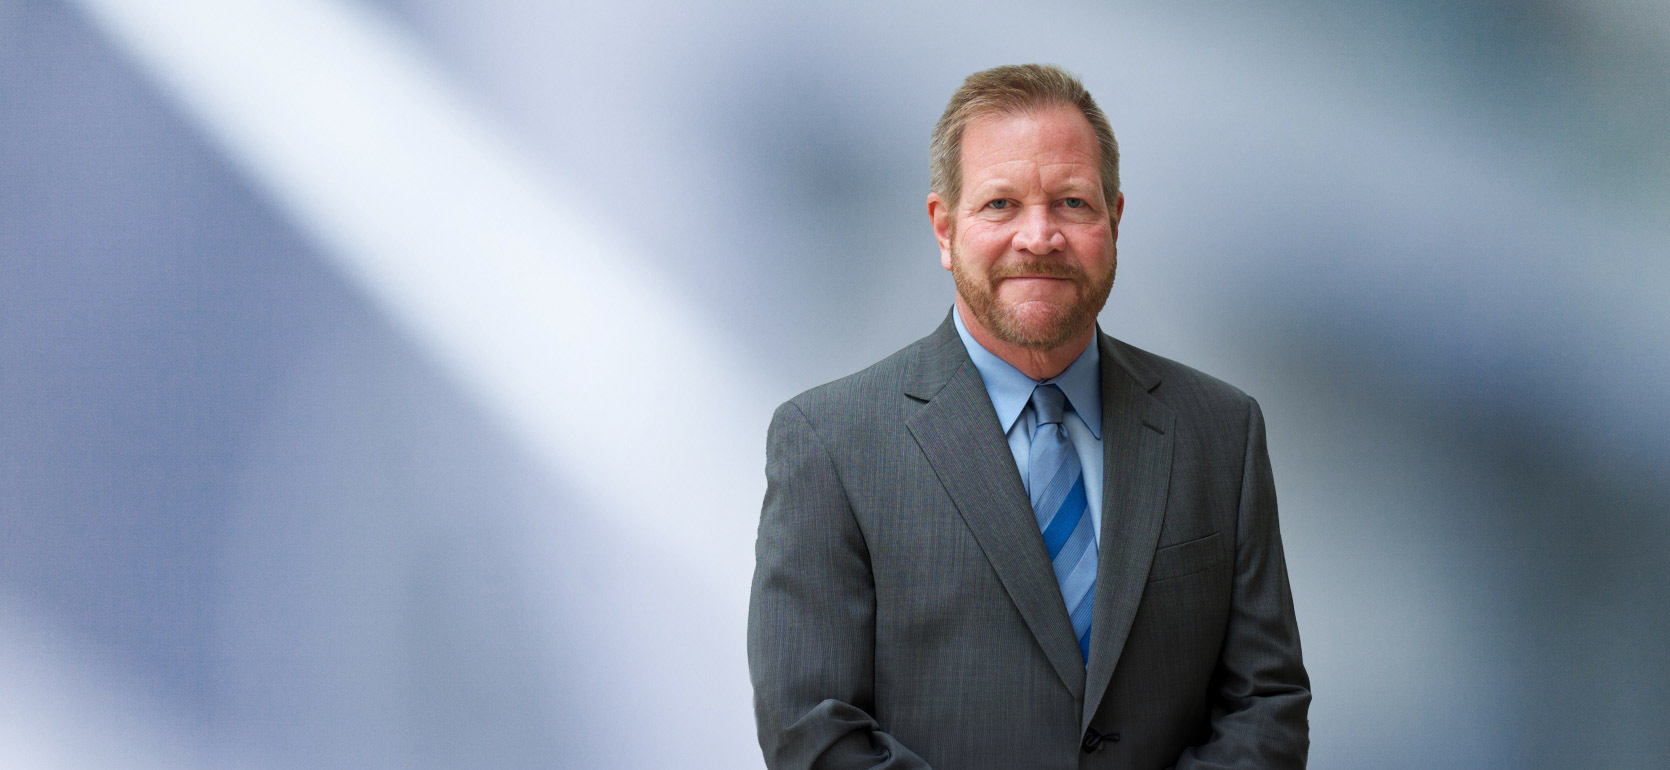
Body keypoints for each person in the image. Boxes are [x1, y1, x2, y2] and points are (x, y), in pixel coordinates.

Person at [748, 63, 1310, 769]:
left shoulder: (1222, 431)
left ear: (1114, 219)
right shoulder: (830, 444)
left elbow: (1266, 702)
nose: (1039, 236)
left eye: (1072, 203)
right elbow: (813, 732)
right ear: (944, 228)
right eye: (1000, 204)